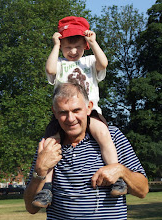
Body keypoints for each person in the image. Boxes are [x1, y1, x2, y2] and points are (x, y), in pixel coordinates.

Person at [32, 16, 127, 208]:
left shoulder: (90, 61)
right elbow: (49, 68)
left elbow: (104, 63)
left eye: (77, 46)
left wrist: (94, 42)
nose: (73, 51)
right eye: (67, 47)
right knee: (50, 145)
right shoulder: (59, 63)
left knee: (103, 134)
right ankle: (47, 188)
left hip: (90, 111)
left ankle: (116, 176)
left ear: (85, 45)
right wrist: (56, 46)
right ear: (61, 47)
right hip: (64, 113)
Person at [24, 82, 149, 220]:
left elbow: (143, 190)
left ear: (89, 107)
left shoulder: (112, 136)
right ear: (55, 112)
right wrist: (40, 170)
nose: (71, 119)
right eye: (63, 112)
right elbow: (31, 208)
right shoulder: (48, 146)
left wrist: (121, 171)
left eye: (76, 110)